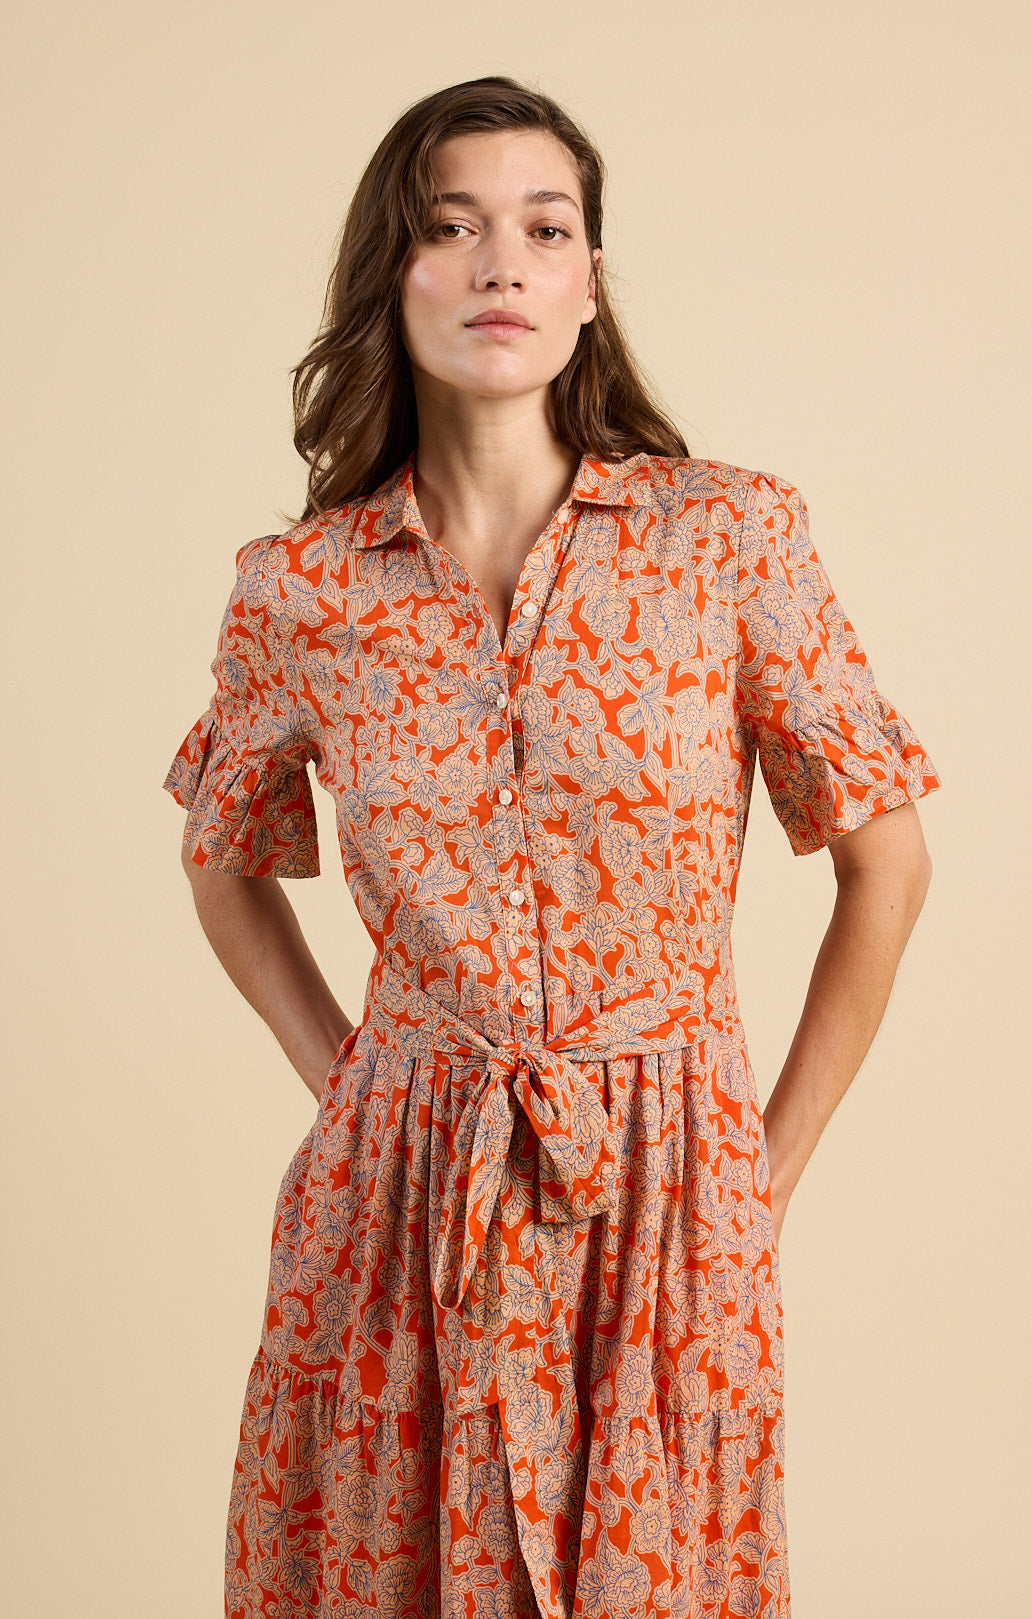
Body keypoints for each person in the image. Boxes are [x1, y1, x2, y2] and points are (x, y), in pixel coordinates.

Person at [163, 74, 940, 1619]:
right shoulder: (302, 588)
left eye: (545, 227)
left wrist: (756, 1174)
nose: (502, 264)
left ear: (589, 287)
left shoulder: (728, 538)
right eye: (452, 227)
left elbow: (889, 861)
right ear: (396, 275)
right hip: (402, 1196)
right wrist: (352, 1083)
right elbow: (222, 853)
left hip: (664, 1192)